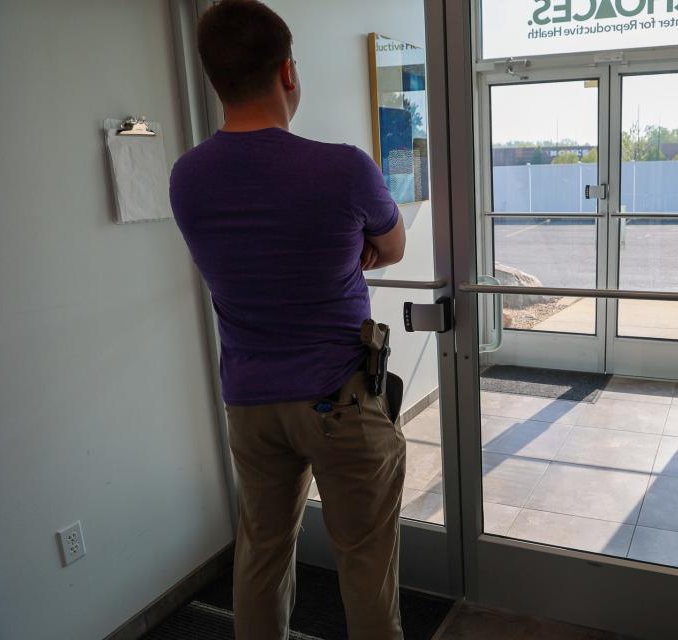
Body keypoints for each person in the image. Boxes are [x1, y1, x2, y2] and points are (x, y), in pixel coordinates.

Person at [168, 1, 408, 638]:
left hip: (250, 404)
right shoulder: (343, 167)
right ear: (288, 72)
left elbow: (244, 254)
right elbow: (394, 247)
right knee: (366, 569)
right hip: (342, 402)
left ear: (217, 80)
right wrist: (348, 249)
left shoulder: (187, 178)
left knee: (261, 559)